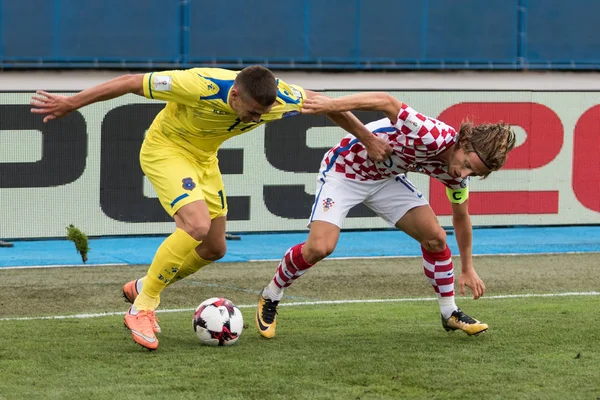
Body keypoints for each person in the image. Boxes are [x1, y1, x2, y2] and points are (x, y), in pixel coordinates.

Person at [30, 66, 392, 350]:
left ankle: (142, 284)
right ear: (234, 94)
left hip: (204, 160)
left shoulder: (282, 98)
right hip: (166, 150)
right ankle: (142, 307)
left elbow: (329, 105)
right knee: (196, 226)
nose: (254, 119)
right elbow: (129, 81)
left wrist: (368, 139)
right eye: (250, 111)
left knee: (214, 247)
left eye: (260, 114)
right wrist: (71, 103)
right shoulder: (199, 85)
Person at [255, 92, 516, 338]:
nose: (463, 175)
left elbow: (462, 218)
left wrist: (468, 268)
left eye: (474, 174)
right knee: (320, 248)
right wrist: (333, 106)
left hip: (385, 179)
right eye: (467, 165)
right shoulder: (432, 135)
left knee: (436, 238)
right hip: (345, 171)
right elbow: (386, 101)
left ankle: (449, 312)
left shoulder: (456, 176)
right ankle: (271, 293)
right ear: (464, 142)